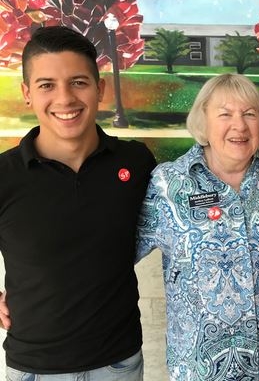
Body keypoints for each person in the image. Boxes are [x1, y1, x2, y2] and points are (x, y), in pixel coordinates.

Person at [0, 25, 156, 379]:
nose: (65, 98)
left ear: (100, 89)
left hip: (119, 364)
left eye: (78, 82)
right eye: (46, 86)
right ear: (27, 93)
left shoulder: (135, 162)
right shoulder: (5, 174)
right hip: (34, 368)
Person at [136, 73, 259, 380]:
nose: (239, 126)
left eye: (249, 114)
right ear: (204, 122)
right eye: (225, 114)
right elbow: (113, 251)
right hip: (199, 367)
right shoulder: (169, 183)